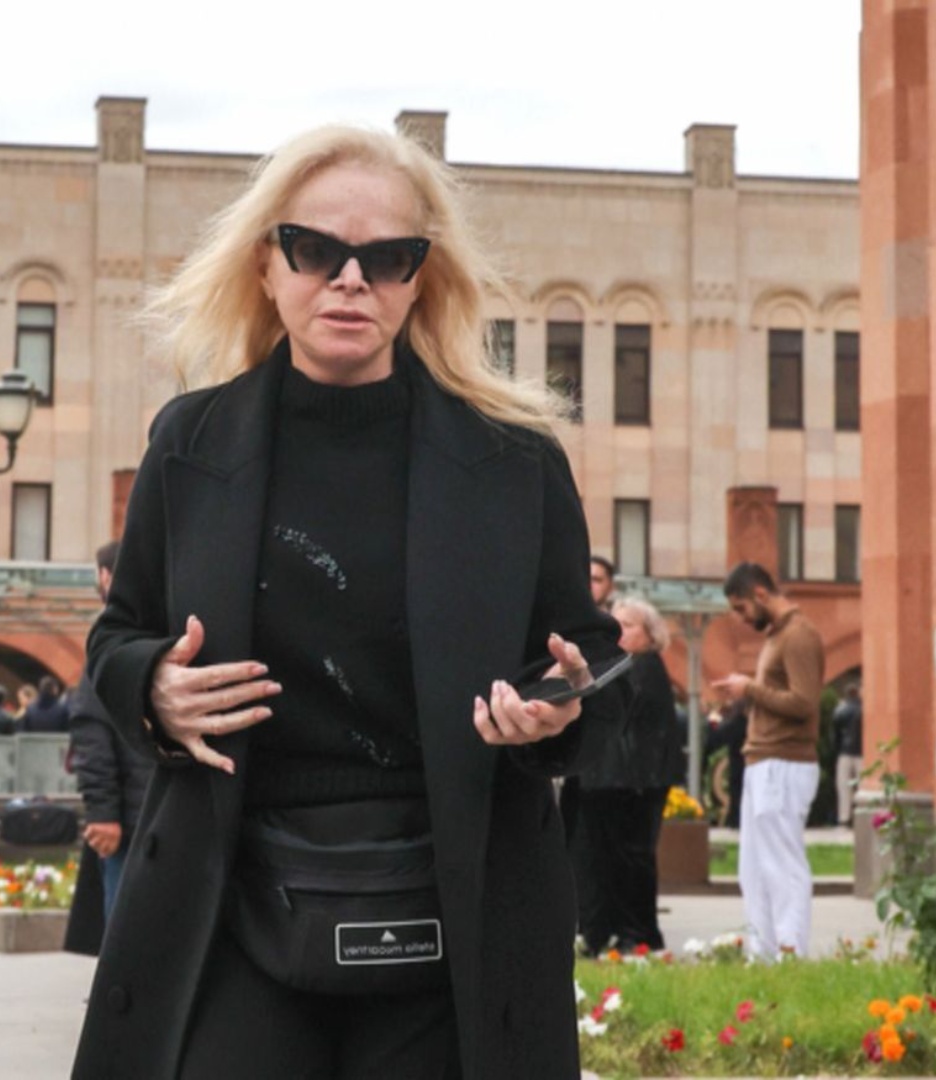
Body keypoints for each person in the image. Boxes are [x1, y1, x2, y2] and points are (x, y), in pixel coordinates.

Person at [72, 123, 621, 1080]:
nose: (350, 280)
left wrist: (554, 706)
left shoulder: (513, 459)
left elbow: (585, 654)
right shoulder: (191, 443)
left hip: (455, 902)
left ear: (421, 277)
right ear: (266, 265)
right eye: (316, 249)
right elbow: (118, 636)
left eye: (387, 257)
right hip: (230, 896)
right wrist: (153, 686)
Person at [713, 561, 825, 960]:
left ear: (760, 594)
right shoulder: (779, 635)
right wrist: (746, 695)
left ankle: (790, 951)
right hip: (765, 759)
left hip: (785, 761)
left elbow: (804, 703)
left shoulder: (799, 635)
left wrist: (750, 689)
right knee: (755, 867)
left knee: (782, 862)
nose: (741, 618)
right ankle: (763, 952)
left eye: (741, 608)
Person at [566, 597, 680, 954]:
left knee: (629, 860)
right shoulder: (623, 666)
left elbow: (619, 717)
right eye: (614, 624)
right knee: (601, 860)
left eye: (628, 625)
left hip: (632, 782)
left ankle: (637, 934)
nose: (619, 631)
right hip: (612, 780)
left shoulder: (643, 666)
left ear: (650, 634)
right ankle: (605, 932)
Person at [65, 540, 155, 952]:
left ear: (105, 576)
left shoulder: (110, 638)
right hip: (150, 814)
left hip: (130, 821)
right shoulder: (158, 627)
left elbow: (91, 730)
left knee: (126, 941)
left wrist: (103, 813)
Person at [704, 698, 748, 829]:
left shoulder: (739, 721)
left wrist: (713, 715)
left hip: (740, 770)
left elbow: (716, 736)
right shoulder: (745, 720)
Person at [831, 684, 863, 826]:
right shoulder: (863, 709)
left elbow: (835, 735)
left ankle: (844, 817)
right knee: (862, 786)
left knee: (844, 787)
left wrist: (836, 751)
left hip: (844, 752)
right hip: (861, 753)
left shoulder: (840, 710)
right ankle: (861, 814)